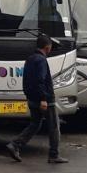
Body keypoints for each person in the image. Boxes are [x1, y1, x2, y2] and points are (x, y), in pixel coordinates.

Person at [6, 34, 68, 164]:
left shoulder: (30, 59)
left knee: (35, 124)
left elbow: (28, 80)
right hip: (44, 100)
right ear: (47, 47)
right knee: (54, 127)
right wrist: (44, 98)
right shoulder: (41, 61)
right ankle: (54, 154)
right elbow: (40, 81)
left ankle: (15, 145)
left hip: (32, 98)